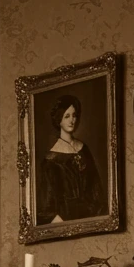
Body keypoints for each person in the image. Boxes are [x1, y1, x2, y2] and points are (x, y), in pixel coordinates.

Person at [37, 93, 104, 224]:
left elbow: (95, 187)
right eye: (66, 116)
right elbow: (46, 205)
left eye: (74, 115)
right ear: (59, 119)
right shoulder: (51, 159)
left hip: (90, 215)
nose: (71, 120)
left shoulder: (83, 149)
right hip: (66, 218)